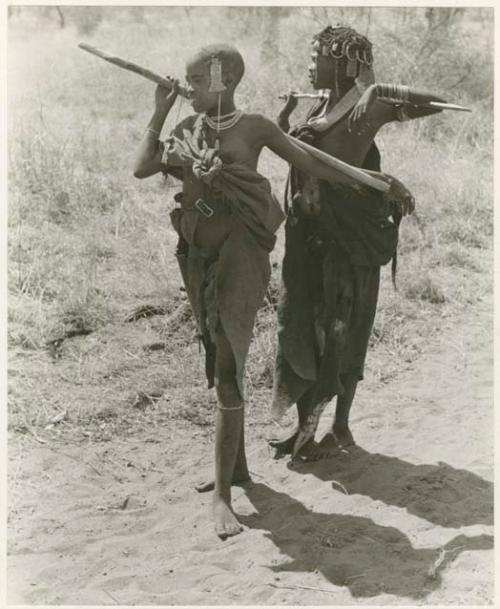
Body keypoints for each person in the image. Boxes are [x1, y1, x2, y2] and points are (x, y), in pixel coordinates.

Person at [133, 43, 414, 538]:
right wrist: (160, 109)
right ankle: (236, 470)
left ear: (221, 80)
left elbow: (313, 161)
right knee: (216, 353)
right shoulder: (188, 130)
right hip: (197, 260)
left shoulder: (256, 127)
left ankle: (223, 496)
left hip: (242, 259)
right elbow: (143, 166)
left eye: (196, 82)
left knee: (227, 369)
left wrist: (375, 180)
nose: (188, 89)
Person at [269, 25, 447, 461]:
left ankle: (334, 428)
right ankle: (309, 429)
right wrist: (285, 121)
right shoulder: (325, 106)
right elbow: (300, 156)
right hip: (311, 240)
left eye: (318, 57)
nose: (311, 64)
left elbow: (438, 102)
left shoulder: (364, 107)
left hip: (347, 243)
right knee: (305, 329)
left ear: (345, 63)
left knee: (341, 331)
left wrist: (377, 86)